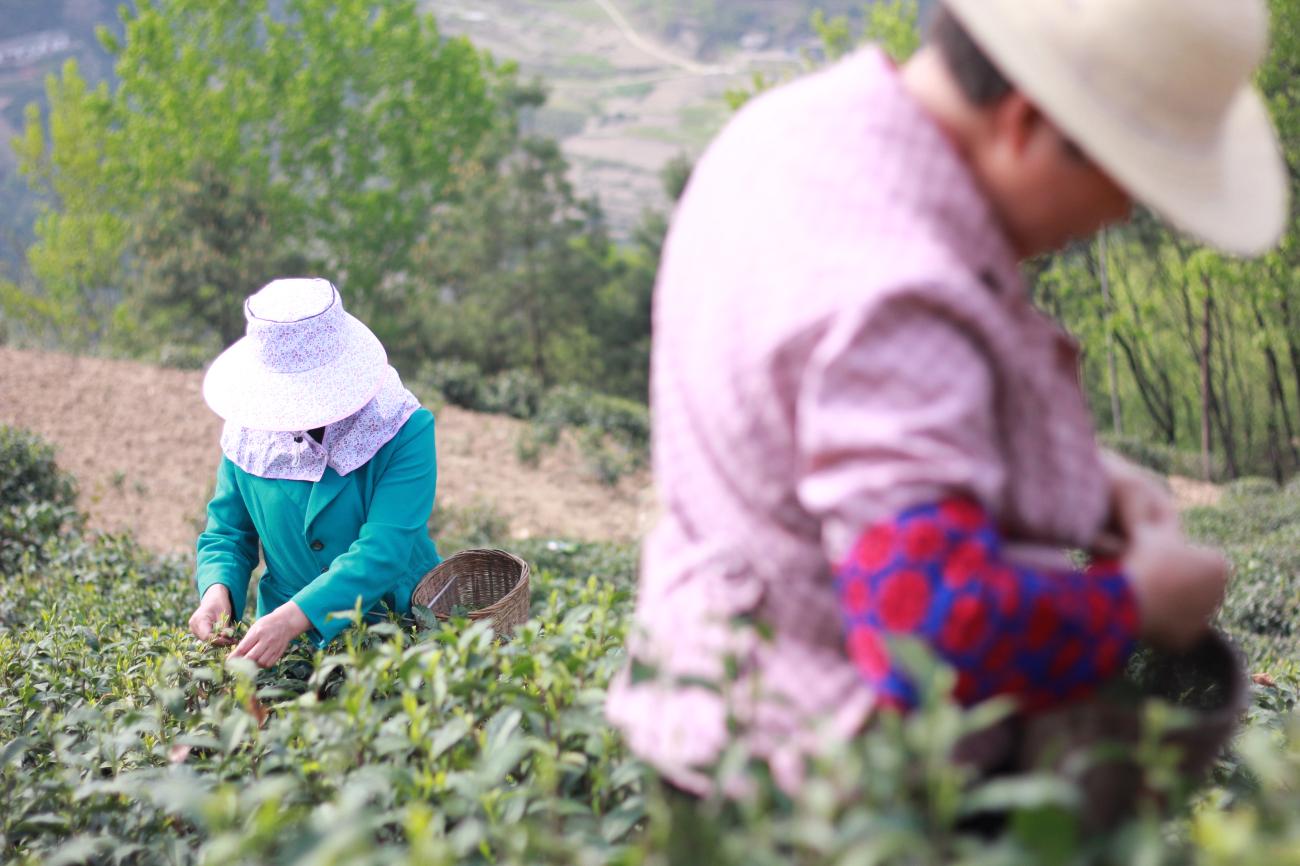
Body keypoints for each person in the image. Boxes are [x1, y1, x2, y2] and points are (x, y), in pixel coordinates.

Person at [607, 0, 1288, 795]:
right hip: (824, 804)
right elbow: (927, 630)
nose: (1123, 213)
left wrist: (1084, 479)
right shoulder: (897, 294)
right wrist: (1138, 604)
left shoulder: (790, 131)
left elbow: (813, 430)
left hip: (709, 718)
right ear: (1026, 124)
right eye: (1126, 179)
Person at [187, 277, 441, 667]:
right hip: (288, 651)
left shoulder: (402, 428)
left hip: (394, 632)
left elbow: (384, 550)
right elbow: (228, 533)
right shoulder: (249, 432)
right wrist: (216, 592)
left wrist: (294, 617)